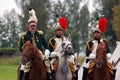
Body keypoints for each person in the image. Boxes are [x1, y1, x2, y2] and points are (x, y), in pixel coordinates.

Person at [18, 8, 50, 80]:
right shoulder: (24, 35)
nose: (33, 27)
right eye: (31, 25)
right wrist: (26, 51)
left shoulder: (40, 34)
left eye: (34, 25)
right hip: (29, 56)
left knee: (48, 65)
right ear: (28, 26)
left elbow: (46, 46)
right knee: (23, 67)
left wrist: (47, 52)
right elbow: (20, 48)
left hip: (40, 54)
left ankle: (50, 77)